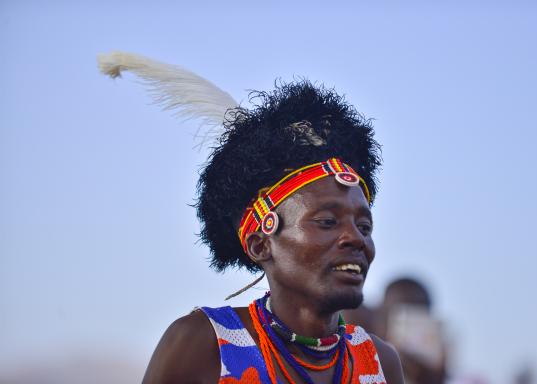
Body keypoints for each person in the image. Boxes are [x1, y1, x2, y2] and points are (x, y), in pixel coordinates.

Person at [99, 52, 404, 384]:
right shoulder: (202, 345)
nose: (355, 238)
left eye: (364, 226)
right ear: (261, 244)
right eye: (327, 222)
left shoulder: (380, 362)